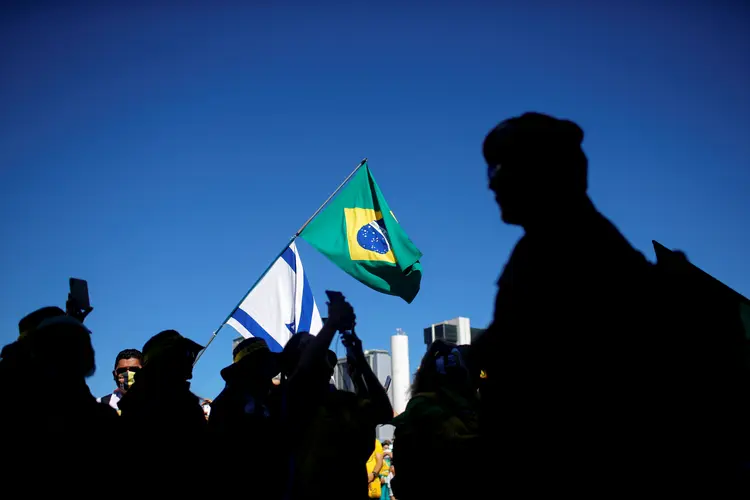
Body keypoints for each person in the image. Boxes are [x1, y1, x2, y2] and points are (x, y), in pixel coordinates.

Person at [476, 112, 690, 491]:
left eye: (502, 169)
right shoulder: (554, 244)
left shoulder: (568, 248)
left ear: (541, 172)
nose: (493, 185)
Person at [98, 348, 143, 413]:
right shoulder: (100, 406)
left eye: (134, 370)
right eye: (122, 371)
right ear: (114, 375)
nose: (128, 374)